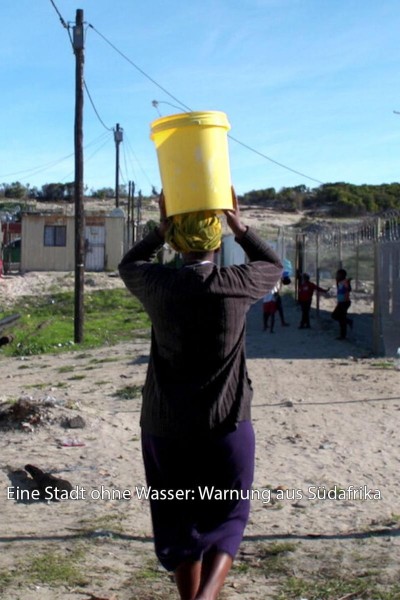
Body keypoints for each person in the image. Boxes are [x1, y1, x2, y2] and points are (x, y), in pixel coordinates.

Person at [118, 188, 283, 600]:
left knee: (178, 520)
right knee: (228, 514)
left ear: (176, 241)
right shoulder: (236, 284)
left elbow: (128, 264)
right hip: (226, 423)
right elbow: (273, 265)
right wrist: (239, 226)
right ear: (216, 239)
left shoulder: (159, 286)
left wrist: (159, 231)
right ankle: (207, 597)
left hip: (165, 427)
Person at [331, 268, 353, 340]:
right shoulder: (339, 282)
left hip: (345, 302)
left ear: (343, 275)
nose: (337, 275)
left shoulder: (345, 282)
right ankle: (348, 321)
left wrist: (348, 282)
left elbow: (349, 289)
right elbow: (339, 289)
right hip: (341, 302)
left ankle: (343, 335)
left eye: (338, 274)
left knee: (341, 318)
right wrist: (337, 280)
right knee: (335, 316)